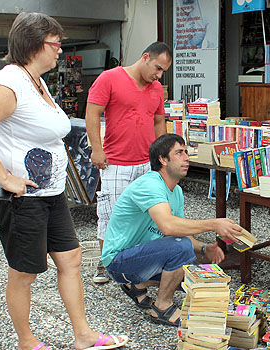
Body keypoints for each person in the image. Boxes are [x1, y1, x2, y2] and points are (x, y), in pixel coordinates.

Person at [0, 12, 128, 350]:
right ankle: (26, 342)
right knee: (25, 273)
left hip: (51, 193)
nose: (59, 51)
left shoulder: (35, 80)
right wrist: (4, 177)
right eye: (56, 44)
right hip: (24, 199)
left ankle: (83, 335)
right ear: (35, 44)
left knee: (71, 259)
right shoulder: (10, 81)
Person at [101, 134, 245, 327]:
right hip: (118, 261)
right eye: (179, 152)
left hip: (141, 255)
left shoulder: (175, 191)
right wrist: (214, 224)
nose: (186, 157)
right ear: (163, 159)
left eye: (186, 152)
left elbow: (179, 232)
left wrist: (204, 249)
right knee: (181, 250)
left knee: (191, 276)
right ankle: (161, 307)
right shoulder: (150, 184)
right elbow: (168, 226)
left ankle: (137, 284)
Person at [86, 42, 171, 283]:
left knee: (147, 216)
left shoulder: (156, 89)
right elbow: (92, 113)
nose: (159, 75)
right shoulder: (109, 78)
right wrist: (96, 149)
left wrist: (162, 158)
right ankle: (104, 265)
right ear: (145, 57)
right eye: (157, 68)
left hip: (147, 164)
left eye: (163, 71)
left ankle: (140, 263)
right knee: (109, 215)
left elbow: (158, 122)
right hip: (116, 163)